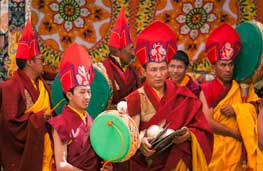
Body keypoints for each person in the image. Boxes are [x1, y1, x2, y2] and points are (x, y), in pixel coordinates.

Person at [124, 20, 213, 171]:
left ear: (167, 70)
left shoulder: (183, 95)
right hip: (147, 163)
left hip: (176, 161)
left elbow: (202, 129)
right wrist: (141, 143)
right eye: (153, 70)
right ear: (144, 72)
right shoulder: (135, 98)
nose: (158, 75)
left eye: (162, 69)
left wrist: (189, 135)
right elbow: (131, 135)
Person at [200, 23, 263, 170]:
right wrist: (235, 134)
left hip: (240, 153)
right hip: (216, 151)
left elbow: (256, 108)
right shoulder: (206, 89)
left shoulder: (242, 86)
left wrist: (237, 109)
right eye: (223, 65)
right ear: (213, 67)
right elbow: (207, 122)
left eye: (230, 64)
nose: (228, 69)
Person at [48, 43, 112, 171]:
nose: (87, 96)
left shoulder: (92, 122)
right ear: (69, 95)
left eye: (89, 92)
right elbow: (61, 165)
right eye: (82, 92)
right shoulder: (60, 124)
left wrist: (105, 166)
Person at [0, 21, 53, 171]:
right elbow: (10, 125)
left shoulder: (43, 86)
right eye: (41, 59)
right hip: (23, 156)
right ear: (30, 62)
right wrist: (39, 118)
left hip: (45, 147)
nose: (44, 63)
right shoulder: (10, 87)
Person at [97, 7, 141, 107]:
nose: (134, 54)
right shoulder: (102, 71)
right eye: (130, 49)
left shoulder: (132, 71)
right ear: (117, 51)